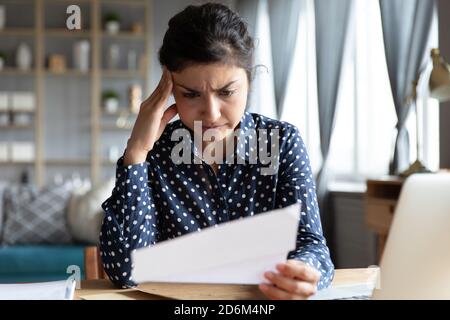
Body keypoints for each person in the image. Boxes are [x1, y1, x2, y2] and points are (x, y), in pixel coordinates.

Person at [100, 2, 334, 300]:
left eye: (226, 92)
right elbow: (126, 273)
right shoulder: (154, 155)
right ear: (168, 88)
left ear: (250, 80)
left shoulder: (282, 142)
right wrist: (135, 153)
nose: (210, 114)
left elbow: (313, 245)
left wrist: (302, 271)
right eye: (191, 94)